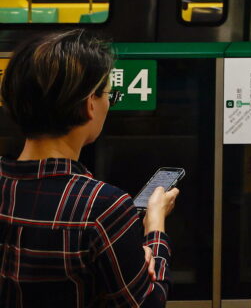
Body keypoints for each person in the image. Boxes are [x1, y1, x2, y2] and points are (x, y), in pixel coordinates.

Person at [0, 29, 178, 308]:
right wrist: (154, 228)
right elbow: (147, 302)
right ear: (89, 104)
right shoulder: (103, 207)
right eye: (109, 94)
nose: (109, 103)